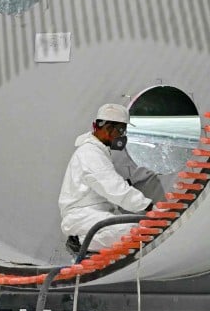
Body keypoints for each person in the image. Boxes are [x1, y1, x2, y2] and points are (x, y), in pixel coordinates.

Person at [59, 103, 154, 252]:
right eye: (122, 130)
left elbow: (109, 183)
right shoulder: (90, 154)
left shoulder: (98, 151)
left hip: (94, 214)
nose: (123, 136)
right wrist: (149, 207)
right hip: (83, 217)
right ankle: (80, 240)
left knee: (134, 228)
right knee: (136, 231)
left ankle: (85, 239)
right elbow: (114, 188)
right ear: (109, 128)